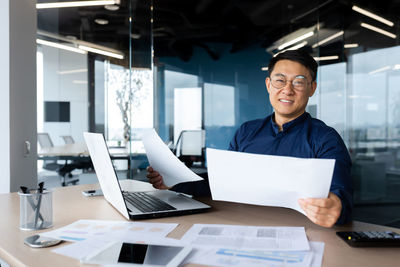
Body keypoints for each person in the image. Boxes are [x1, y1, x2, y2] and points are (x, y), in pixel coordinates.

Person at [147, 49, 353, 228]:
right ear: (268, 85)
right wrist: (174, 181)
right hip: (240, 226)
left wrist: (336, 207)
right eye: (280, 80)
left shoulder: (326, 139)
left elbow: (340, 196)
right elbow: (220, 184)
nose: (287, 90)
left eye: (299, 82)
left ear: (312, 88)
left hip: (302, 233)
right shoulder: (247, 132)